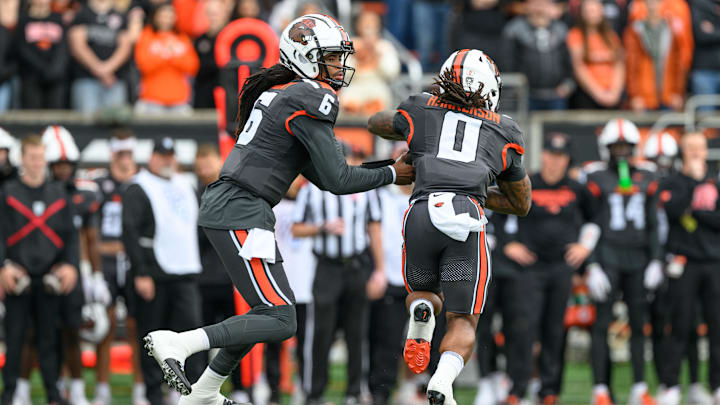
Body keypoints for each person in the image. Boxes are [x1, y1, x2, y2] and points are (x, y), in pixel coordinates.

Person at [139, 14, 414, 405]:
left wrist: (386, 171)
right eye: (332, 57)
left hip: (241, 207)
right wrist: (392, 172)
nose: (340, 66)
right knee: (281, 318)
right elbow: (339, 180)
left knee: (264, 313)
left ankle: (203, 391)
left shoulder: (286, 96)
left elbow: (325, 178)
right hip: (241, 208)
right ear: (305, 57)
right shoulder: (307, 97)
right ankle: (180, 342)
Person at [368, 48, 532, 405]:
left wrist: (412, 137)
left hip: (422, 213)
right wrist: (470, 186)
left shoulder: (420, 107)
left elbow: (376, 123)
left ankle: (420, 313)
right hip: (464, 218)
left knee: (422, 293)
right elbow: (521, 202)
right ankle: (442, 380)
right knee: (462, 319)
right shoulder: (505, 130)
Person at [501, 133, 598, 405]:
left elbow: (597, 217)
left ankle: (549, 390)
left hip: (561, 268)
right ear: (542, 154)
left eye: (561, 157)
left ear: (567, 160)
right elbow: (497, 214)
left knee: (555, 329)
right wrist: (508, 244)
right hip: (529, 269)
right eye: (551, 155)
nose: (555, 162)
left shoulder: (577, 188)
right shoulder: (525, 182)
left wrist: (584, 247)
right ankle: (517, 388)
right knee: (523, 328)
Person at [291, 145, 385, 405]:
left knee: (357, 332)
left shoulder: (364, 190)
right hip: (327, 267)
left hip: (357, 265)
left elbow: (374, 229)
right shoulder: (312, 190)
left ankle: (355, 392)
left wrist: (380, 270)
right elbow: (296, 229)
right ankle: (314, 392)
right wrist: (322, 228)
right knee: (321, 332)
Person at [581, 118, 660, 405]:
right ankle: (601, 388)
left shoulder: (647, 176)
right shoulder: (594, 176)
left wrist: (656, 260)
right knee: (601, 323)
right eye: (617, 146)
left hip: (638, 258)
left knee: (639, 324)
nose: (622, 152)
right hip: (607, 256)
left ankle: (640, 387)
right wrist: (591, 264)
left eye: (627, 147)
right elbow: (586, 222)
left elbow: (653, 223)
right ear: (606, 148)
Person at [122, 137, 205, 405]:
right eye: (162, 155)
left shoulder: (186, 185)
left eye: (171, 155)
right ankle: (152, 394)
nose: (167, 160)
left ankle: (189, 392)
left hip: (186, 272)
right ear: (152, 157)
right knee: (154, 339)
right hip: (155, 274)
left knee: (190, 337)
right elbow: (131, 233)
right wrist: (141, 272)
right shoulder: (139, 187)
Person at [0, 134, 79, 405]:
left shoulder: (59, 193)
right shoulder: (8, 192)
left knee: (49, 340)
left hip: (49, 279)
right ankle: (9, 395)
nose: (36, 163)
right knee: (15, 339)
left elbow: (71, 236)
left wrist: (70, 266)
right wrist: (2, 268)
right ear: (22, 159)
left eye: (40, 157)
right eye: (32, 157)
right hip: (17, 277)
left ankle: (53, 395)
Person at [657, 132, 720, 405]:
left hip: (714, 262)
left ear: (707, 151)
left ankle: (715, 385)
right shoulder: (673, 181)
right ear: (682, 152)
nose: (696, 152)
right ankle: (672, 384)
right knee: (680, 325)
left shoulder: (716, 180)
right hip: (683, 263)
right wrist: (694, 186)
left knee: (717, 327)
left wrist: (695, 212)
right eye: (690, 148)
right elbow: (673, 211)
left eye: (700, 148)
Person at [93, 129, 150, 405]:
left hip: (132, 264)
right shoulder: (98, 185)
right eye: (120, 154)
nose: (125, 160)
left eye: (128, 154)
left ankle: (140, 387)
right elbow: (90, 230)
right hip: (104, 263)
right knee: (103, 326)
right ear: (112, 155)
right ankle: (102, 388)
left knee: (136, 327)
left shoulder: (142, 185)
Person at [194, 143, 249, 403]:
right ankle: (199, 387)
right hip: (202, 277)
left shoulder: (231, 191)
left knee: (235, 338)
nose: (205, 167)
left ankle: (239, 385)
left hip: (230, 278)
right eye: (200, 161)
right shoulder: (191, 194)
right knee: (202, 339)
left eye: (209, 160)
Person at [500, 0, 574, 110]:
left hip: (557, 95)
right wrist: (516, 87)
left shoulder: (560, 30)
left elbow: (569, 60)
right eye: (535, 4)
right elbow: (507, 61)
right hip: (526, 95)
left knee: (557, 126)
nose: (539, 9)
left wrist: (568, 85)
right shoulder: (514, 29)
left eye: (544, 4)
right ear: (527, 6)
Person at [68, 0, 132, 115]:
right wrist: (100, 70)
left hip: (114, 81)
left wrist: (107, 69)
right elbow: (77, 46)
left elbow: (125, 47)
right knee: (87, 126)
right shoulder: (82, 14)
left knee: (115, 127)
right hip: (86, 80)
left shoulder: (120, 15)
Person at [134, 2, 199, 115]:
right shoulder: (146, 36)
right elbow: (143, 65)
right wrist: (166, 55)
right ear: (155, 17)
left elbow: (193, 67)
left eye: (170, 16)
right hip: (152, 99)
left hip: (179, 99)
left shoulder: (182, 38)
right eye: (163, 16)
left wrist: (172, 58)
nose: (166, 20)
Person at [624, 0, 688, 112]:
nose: (652, 5)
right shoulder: (635, 30)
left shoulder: (671, 28)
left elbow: (678, 63)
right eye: (649, 2)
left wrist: (678, 92)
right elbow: (631, 64)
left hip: (668, 93)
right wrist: (634, 95)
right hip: (645, 94)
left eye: (655, 2)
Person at [566, 0, 625, 109]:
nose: (591, 14)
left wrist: (615, 92)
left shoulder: (611, 36)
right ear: (582, 13)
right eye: (588, 11)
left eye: (594, 10)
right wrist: (598, 93)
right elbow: (578, 67)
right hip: (587, 96)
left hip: (612, 94)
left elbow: (619, 64)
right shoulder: (576, 35)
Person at [341, 10, 400, 116]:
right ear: (358, 25)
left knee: (377, 106)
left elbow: (392, 73)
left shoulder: (384, 46)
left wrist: (378, 55)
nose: (368, 26)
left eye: (372, 23)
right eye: (365, 23)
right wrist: (354, 57)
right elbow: (343, 74)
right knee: (349, 105)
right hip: (354, 86)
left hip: (378, 86)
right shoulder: (350, 45)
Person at [16, 0, 69, 109]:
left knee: (55, 119)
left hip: (56, 78)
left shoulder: (59, 19)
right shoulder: (23, 20)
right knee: (32, 119)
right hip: (31, 78)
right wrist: (42, 68)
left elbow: (64, 48)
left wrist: (54, 69)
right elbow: (21, 49)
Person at [192, 0, 230, 109]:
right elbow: (195, 67)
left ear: (225, 13)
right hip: (204, 93)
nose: (213, 17)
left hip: (227, 93)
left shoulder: (233, 37)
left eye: (216, 13)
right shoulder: (200, 40)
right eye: (210, 14)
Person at [688, 0, 720, 109]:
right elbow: (701, 35)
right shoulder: (698, 4)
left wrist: (713, 30)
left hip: (707, 71)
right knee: (706, 119)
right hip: (705, 71)